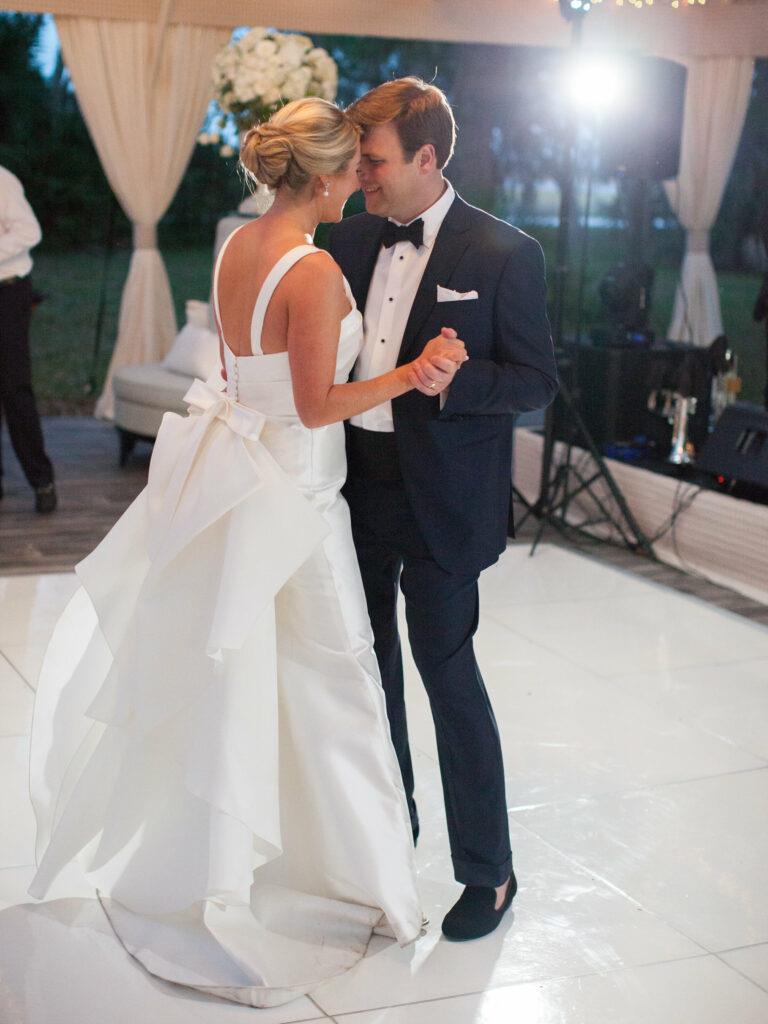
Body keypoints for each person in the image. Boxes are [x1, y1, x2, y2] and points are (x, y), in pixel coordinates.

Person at [27, 98, 468, 1007]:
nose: (363, 180)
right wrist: (414, 369)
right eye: (353, 167)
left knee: (256, 683)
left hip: (243, 485)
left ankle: (267, 856)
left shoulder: (237, 247)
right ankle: (358, 881)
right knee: (337, 682)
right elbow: (315, 405)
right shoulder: (312, 274)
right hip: (298, 501)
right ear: (320, 174)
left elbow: (242, 372)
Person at [329, 78, 558, 942]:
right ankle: (391, 845)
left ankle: (488, 872)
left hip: (443, 501)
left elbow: (536, 381)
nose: (362, 174)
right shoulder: (346, 238)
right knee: (367, 673)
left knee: (445, 675)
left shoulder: (505, 253)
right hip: (351, 486)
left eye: (375, 160)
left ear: (427, 157)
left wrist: (464, 378)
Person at [0, 164, 56, 513]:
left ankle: (42, 481)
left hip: (8, 292)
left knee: (14, 388)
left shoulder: (2, 180)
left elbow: (29, 231)